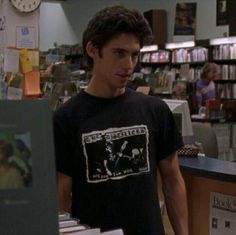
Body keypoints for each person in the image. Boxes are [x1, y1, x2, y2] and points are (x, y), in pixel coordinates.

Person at [53, 5, 188, 235]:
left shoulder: (154, 110)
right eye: (119, 53)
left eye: (134, 54)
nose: (129, 65)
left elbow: (173, 181)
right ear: (93, 50)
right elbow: (61, 196)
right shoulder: (67, 118)